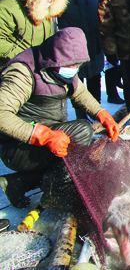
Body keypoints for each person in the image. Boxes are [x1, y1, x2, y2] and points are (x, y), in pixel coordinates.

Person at [0, 28, 119, 209]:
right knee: (81, 131)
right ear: (55, 58)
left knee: (74, 163)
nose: (73, 70)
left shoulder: (63, 67)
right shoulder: (23, 72)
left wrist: (103, 115)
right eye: (70, 66)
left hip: (45, 135)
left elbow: (79, 93)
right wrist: (44, 135)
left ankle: (18, 183)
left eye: (77, 66)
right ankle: (55, 194)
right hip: (18, 147)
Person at [0, 0, 67, 69]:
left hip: (39, 67)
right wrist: (27, 55)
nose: (51, 0)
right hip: (14, 69)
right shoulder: (7, 8)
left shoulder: (48, 8)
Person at [59, 0, 105, 119]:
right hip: (72, 46)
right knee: (75, 81)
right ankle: (81, 114)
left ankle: (96, 111)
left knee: (95, 77)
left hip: (94, 43)